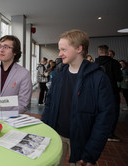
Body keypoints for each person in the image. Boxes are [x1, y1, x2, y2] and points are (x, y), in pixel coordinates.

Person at [41, 29, 115, 166]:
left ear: (79, 49)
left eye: (63, 49)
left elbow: (105, 118)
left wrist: (91, 153)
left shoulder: (98, 78)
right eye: (59, 49)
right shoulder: (58, 75)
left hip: (82, 140)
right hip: (56, 136)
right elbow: (49, 104)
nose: (59, 54)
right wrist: (45, 132)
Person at [0, 35, 32, 113]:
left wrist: (6, 117)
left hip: (12, 120)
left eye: (6, 47)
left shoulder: (24, 74)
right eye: (0, 46)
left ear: (15, 52)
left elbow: (23, 103)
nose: (1, 50)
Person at [95, 45, 123, 142]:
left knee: (98, 112)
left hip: (97, 92)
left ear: (98, 53)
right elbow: (119, 78)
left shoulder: (94, 63)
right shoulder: (114, 63)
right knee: (113, 113)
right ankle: (110, 134)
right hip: (112, 92)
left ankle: (98, 131)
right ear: (107, 52)